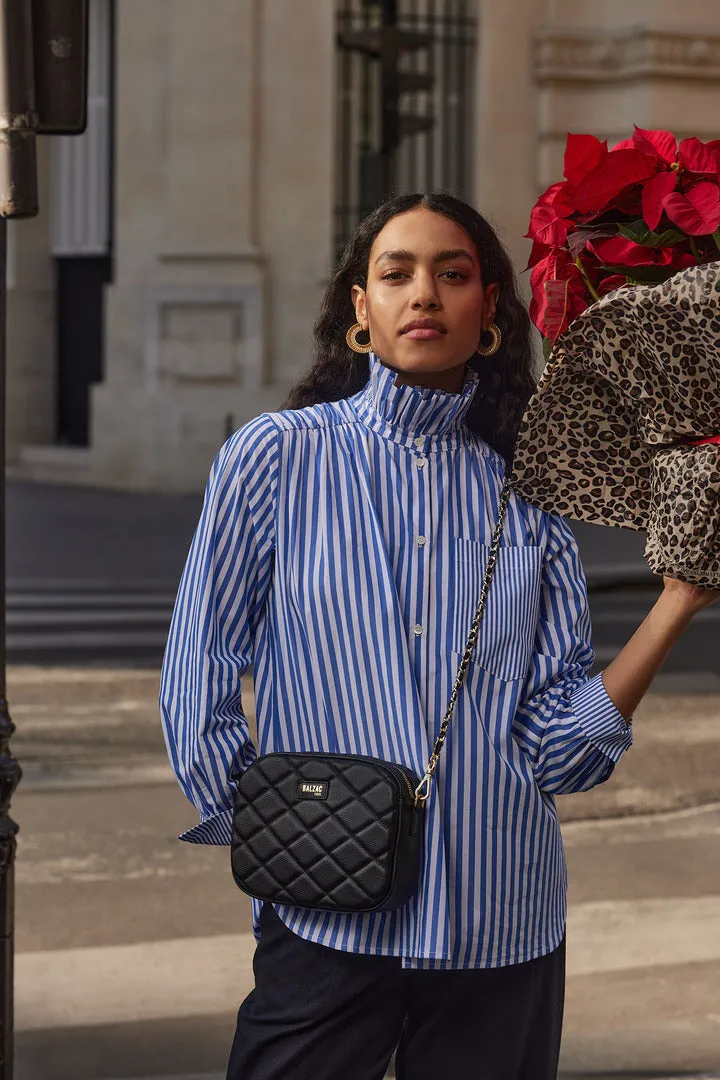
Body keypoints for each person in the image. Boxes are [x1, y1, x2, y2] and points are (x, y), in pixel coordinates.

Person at [159, 192, 720, 1080]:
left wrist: (678, 602)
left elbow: (557, 750)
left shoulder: (528, 496)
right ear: (360, 308)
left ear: (488, 309)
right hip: (325, 912)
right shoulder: (277, 458)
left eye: (453, 275)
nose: (424, 294)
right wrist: (267, 843)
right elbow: (200, 673)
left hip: (504, 921)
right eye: (397, 273)